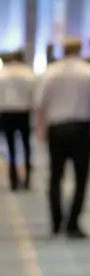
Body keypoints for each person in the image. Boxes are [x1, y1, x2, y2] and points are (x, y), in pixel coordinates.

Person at [35, 37, 90, 238]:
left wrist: (40, 130)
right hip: (82, 129)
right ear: (80, 49)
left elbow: (40, 104)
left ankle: (56, 222)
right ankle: (73, 223)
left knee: (55, 176)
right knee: (81, 177)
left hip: (56, 128)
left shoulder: (50, 73)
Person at [0, 49, 36, 190]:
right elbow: (35, 95)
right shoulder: (28, 73)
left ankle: (13, 179)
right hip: (23, 112)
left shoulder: (2, 74)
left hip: (6, 113)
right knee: (26, 146)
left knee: (10, 148)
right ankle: (27, 179)